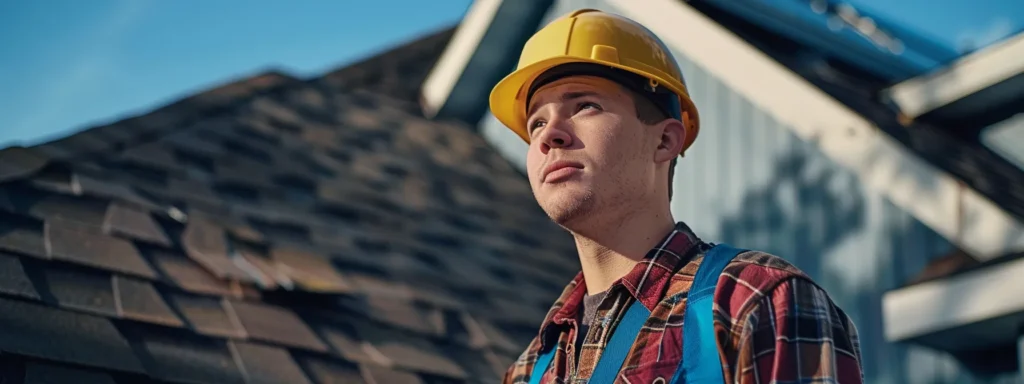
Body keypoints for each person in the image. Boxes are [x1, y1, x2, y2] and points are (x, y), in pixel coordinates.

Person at [487, 8, 865, 384]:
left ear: (665, 140)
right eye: (536, 122)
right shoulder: (528, 371)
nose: (550, 135)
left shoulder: (757, 303)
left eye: (586, 105)